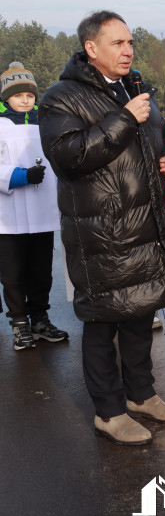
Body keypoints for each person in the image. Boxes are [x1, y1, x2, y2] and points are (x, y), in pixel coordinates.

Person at [39, 10, 165, 446]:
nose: (128, 51)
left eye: (130, 42)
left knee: (141, 312)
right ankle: (109, 411)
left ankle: (141, 394)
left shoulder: (136, 88)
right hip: (102, 234)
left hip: (147, 226)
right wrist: (123, 118)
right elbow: (70, 156)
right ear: (91, 48)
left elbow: (162, 136)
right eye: (118, 43)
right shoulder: (60, 97)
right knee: (104, 321)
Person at [0, 62, 69, 351]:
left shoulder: (45, 123)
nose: (25, 100)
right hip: (9, 216)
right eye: (18, 95)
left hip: (42, 212)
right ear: (6, 97)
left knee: (41, 271)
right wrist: (21, 176)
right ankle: (19, 324)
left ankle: (39, 319)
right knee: (13, 273)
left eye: (30, 95)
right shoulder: (1, 125)